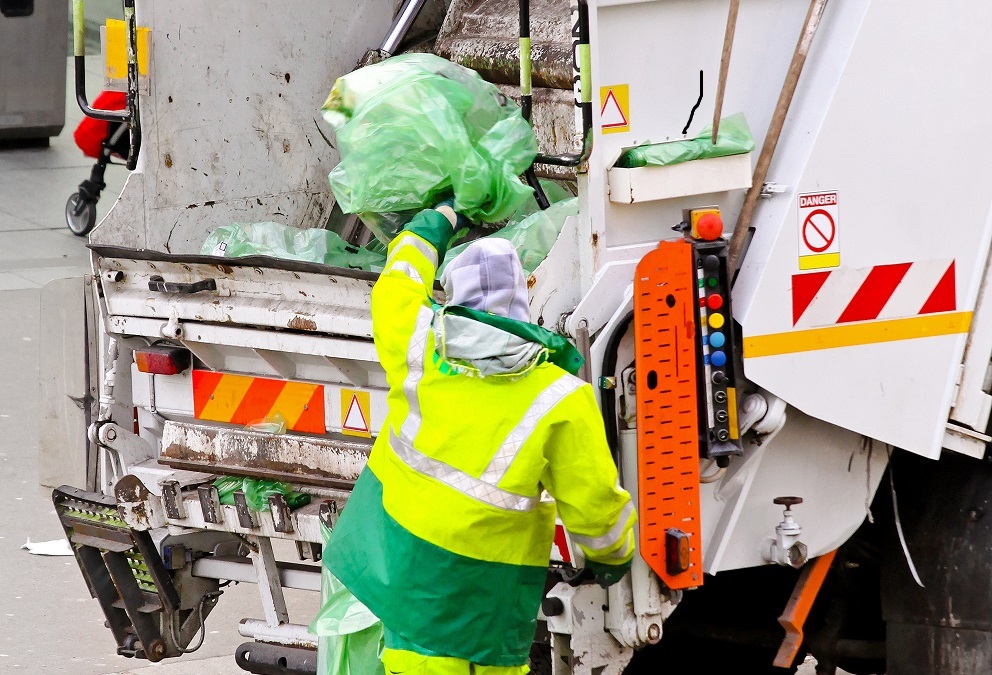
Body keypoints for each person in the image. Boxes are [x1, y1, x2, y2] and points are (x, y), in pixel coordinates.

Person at [324, 202, 637, 675]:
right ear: (522, 303)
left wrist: (438, 221)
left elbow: (399, 279)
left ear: (453, 296)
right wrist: (613, 561)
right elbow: (595, 511)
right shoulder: (560, 399)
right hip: (480, 616)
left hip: (402, 586)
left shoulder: (417, 344)